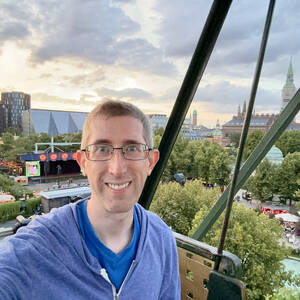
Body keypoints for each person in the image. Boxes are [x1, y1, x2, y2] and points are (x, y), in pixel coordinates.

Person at [0, 100, 181, 300]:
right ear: (83, 162)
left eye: (132, 148)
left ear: (150, 162)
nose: (117, 169)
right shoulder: (35, 248)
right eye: (102, 149)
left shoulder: (162, 238)